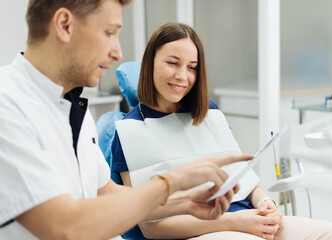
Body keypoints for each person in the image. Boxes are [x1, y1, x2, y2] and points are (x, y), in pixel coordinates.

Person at [0, 1, 255, 239]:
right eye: (109, 33)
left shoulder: (71, 107)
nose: (117, 52)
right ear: (65, 25)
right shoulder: (7, 104)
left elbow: (108, 194)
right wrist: (173, 181)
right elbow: (65, 226)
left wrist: (186, 202)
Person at [111, 22, 332, 240]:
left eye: (192, 67)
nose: (183, 76)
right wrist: (233, 222)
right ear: (150, 61)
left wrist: (265, 202)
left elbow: (243, 176)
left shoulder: (208, 112)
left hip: (249, 218)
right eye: (172, 63)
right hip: (206, 231)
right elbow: (151, 226)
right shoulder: (130, 132)